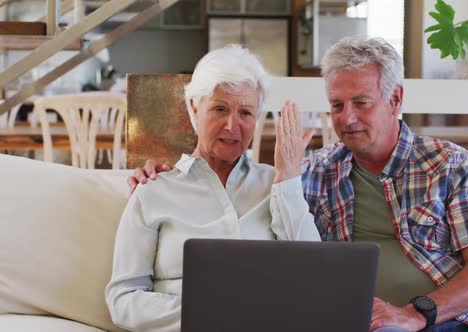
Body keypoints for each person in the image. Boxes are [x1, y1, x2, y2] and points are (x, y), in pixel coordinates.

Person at [128, 38, 468, 332]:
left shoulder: (451, 165)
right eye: (336, 105)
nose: (347, 118)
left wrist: (416, 313)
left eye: (362, 102)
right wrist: (157, 173)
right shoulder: (315, 172)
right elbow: (293, 245)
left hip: (457, 322)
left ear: (395, 100)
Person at [106, 45, 320, 332]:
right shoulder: (153, 189)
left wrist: (290, 177)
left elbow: (314, 278)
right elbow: (123, 299)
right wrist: (209, 316)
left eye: (245, 113)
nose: (232, 126)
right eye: (220, 109)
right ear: (194, 108)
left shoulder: (278, 186)